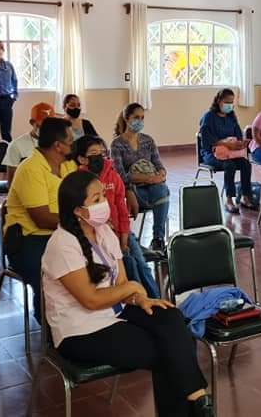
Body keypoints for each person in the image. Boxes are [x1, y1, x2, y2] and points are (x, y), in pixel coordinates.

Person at [42, 171, 213, 416]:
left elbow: (120, 282)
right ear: (78, 210)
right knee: (167, 349)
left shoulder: (104, 232)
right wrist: (133, 288)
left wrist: (140, 299)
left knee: (171, 317)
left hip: (116, 312)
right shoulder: (62, 244)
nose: (104, 203)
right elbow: (91, 300)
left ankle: (198, 399)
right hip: (81, 330)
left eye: (103, 195)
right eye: (96, 199)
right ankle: (199, 404)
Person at [4, 118, 78, 322]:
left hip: (62, 232)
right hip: (28, 239)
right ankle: (48, 324)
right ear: (58, 146)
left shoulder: (68, 165)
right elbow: (42, 219)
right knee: (52, 270)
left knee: (93, 261)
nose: (73, 145)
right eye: (70, 141)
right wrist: (79, 221)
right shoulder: (30, 169)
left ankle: (80, 319)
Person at [71, 135, 160, 298]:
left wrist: (124, 239)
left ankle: (157, 301)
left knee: (142, 265)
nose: (99, 157)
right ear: (82, 159)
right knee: (129, 266)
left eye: (102, 152)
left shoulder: (113, 175)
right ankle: (140, 301)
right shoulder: (78, 182)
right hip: (99, 237)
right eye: (93, 153)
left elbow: (121, 209)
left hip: (122, 232)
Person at [111, 103, 170, 250]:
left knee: (161, 190)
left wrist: (161, 174)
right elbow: (120, 176)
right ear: (126, 118)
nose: (140, 121)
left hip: (154, 187)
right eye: (136, 117)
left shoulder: (148, 141)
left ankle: (158, 239)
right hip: (132, 191)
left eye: (142, 118)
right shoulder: (117, 145)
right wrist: (147, 178)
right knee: (162, 195)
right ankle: (156, 239)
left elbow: (159, 165)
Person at [199, 88, 257, 214]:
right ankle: (229, 200)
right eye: (227, 102)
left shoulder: (231, 117)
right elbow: (207, 140)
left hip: (231, 152)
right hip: (212, 153)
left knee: (246, 164)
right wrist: (225, 143)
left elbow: (238, 135)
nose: (229, 105)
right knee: (229, 165)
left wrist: (241, 143)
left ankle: (245, 196)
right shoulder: (209, 117)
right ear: (219, 101)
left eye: (231, 102)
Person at [3, 102, 55, 186]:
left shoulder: (58, 144)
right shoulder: (17, 145)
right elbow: (12, 182)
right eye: (41, 125)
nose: (46, 129)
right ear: (32, 122)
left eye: (50, 125)